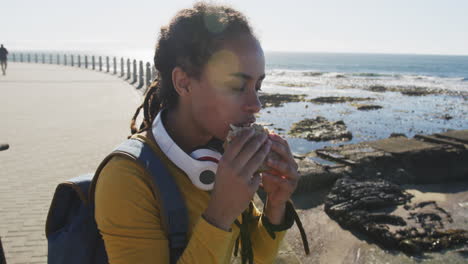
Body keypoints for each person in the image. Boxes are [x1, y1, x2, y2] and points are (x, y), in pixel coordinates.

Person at [94, 2, 307, 263]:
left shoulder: (222, 157)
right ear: (183, 83)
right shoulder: (126, 178)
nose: (256, 105)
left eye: (258, 87)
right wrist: (220, 214)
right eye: (238, 86)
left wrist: (275, 204)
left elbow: (256, 258)